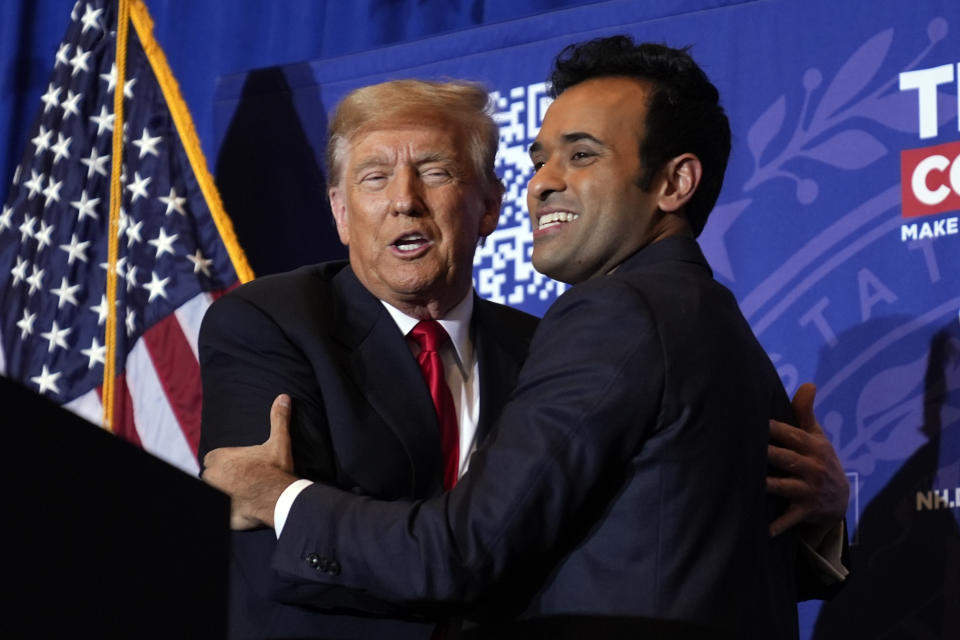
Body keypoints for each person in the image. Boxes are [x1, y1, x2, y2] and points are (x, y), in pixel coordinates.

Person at [203, 38, 848, 638]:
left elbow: (468, 550)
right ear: (339, 212)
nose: (545, 180)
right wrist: (821, 524)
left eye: (583, 154)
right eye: (542, 158)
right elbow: (678, 546)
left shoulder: (601, 325)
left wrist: (279, 497)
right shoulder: (267, 324)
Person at [197, 80, 539, 638]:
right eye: (375, 177)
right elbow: (287, 556)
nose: (405, 199)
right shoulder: (269, 322)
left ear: (490, 207)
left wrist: (295, 500)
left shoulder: (541, 349)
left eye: (435, 171)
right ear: (341, 213)